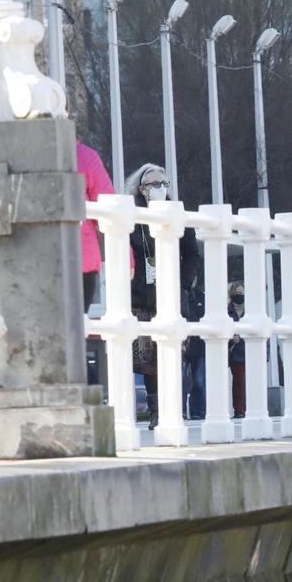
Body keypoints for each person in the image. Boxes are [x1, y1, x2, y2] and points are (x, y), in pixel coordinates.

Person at [124, 163, 208, 419]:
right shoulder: (132, 216)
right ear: (141, 189)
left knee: (174, 355)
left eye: (164, 184)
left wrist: (183, 282)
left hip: (172, 295)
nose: (160, 189)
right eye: (154, 184)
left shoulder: (177, 213)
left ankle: (174, 408)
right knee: (148, 360)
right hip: (142, 295)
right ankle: (156, 412)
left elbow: (192, 254)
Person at [76, 142, 114, 310]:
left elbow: (109, 211)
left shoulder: (84, 155)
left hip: (80, 260)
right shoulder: (84, 155)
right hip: (82, 260)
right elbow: (110, 211)